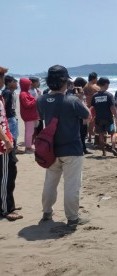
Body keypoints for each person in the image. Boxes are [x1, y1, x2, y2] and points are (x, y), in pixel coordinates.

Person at [36, 65, 90, 228]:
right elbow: (87, 116)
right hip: (72, 149)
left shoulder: (41, 100)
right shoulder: (72, 100)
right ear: (65, 82)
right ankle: (72, 218)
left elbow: (42, 117)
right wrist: (81, 99)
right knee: (72, 185)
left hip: (50, 149)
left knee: (50, 183)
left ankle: (47, 212)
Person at [0, 66, 21, 221]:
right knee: (6, 175)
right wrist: (6, 140)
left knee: (8, 173)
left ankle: (8, 203)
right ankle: (6, 208)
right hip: (2, 144)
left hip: (5, 140)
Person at [91, 77, 117, 157]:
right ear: (106, 84)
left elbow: (93, 108)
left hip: (99, 118)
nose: (108, 86)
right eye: (108, 84)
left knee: (101, 135)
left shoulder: (95, 96)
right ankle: (113, 148)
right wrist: (116, 116)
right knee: (113, 134)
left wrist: (93, 117)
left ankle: (103, 152)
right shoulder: (109, 95)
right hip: (108, 118)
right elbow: (112, 108)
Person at [69, 77, 91, 154]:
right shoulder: (74, 92)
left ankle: (83, 148)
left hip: (81, 115)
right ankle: (81, 148)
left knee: (83, 133)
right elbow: (79, 101)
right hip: (78, 116)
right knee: (80, 133)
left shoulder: (75, 91)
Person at [19, 78, 39, 153]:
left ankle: (29, 146)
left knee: (30, 131)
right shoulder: (23, 94)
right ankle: (28, 148)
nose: (30, 85)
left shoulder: (26, 93)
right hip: (28, 116)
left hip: (30, 115)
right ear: (25, 85)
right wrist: (36, 100)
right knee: (29, 132)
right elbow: (27, 104)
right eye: (29, 84)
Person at [2, 75, 19, 150]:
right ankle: (13, 150)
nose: (15, 83)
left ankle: (14, 149)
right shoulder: (7, 92)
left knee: (13, 134)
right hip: (9, 116)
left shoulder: (8, 92)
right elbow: (4, 105)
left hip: (10, 116)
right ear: (9, 82)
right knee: (13, 134)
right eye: (13, 81)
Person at [83, 72, 99, 143]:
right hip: (94, 106)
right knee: (94, 122)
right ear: (94, 78)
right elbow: (101, 92)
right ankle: (95, 136)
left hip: (87, 105)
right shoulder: (95, 86)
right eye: (96, 78)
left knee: (89, 122)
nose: (97, 79)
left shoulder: (85, 86)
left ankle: (89, 137)